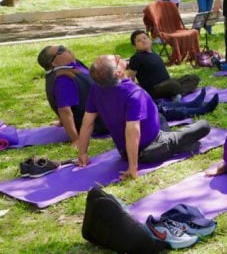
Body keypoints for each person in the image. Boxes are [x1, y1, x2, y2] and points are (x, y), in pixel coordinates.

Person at [76, 55, 211, 180]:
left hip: (132, 146)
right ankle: (176, 144)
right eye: (116, 59)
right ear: (118, 72)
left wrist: (82, 153)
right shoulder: (133, 94)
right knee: (204, 125)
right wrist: (133, 168)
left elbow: (88, 122)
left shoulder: (96, 88)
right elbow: (132, 132)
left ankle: (189, 112)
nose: (118, 56)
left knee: (159, 115)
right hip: (149, 149)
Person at [37, 45, 106, 143]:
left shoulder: (73, 64)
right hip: (97, 124)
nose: (66, 49)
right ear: (54, 62)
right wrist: (75, 139)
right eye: (61, 50)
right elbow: (65, 110)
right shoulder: (63, 79)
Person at [126, 30, 200, 99]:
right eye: (139, 41)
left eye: (144, 38)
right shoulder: (136, 58)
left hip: (167, 82)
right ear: (134, 46)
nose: (143, 40)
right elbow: (130, 78)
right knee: (174, 85)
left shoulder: (153, 53)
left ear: (150, 39)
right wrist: (139, 88)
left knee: (193, 78)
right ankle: (176, 94)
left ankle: (176, 94)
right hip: (154, 89)